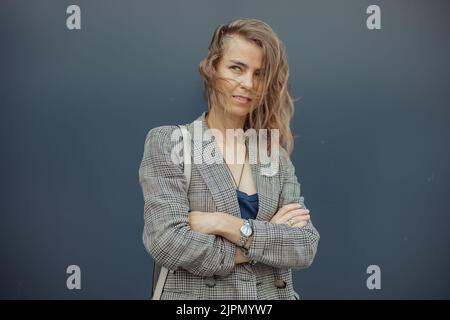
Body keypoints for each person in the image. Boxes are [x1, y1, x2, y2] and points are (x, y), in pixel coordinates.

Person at [138, 18, 320, 300]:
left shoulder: (272, 153)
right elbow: (167, 242)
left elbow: (304, 245)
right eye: (237, 68)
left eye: (259, 74)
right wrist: (268, 238)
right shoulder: (171, 142)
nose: (248, 83)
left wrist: (225, 224)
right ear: (212, 68)